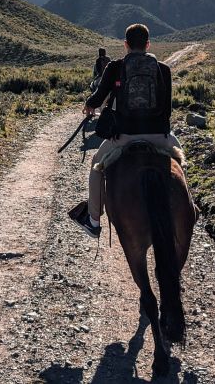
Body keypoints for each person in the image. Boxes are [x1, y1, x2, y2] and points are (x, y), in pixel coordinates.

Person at [74, 24, 180, 238]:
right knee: (181, 165)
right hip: (159, 136)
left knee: (96, 167)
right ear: (148, 44)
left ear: (125, 45)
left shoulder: (115, 67)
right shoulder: (164, 69)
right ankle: (189, 209)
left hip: (123, 137)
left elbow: (98, 97)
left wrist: (89, 106)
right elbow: (167, 110)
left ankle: (93, 221)